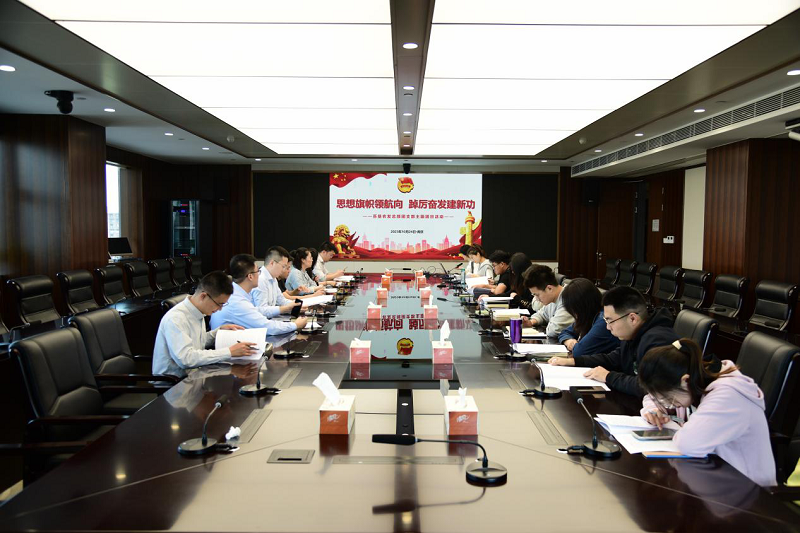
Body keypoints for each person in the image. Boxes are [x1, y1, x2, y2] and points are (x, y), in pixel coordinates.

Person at [638, 339, 776, 487]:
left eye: (667, 399)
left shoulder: (727, 396)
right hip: (715, 473)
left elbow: (688, 444)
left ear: (685, 381)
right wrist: (653, 409)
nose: (667, 404)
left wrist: (681, 430)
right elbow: (651, 397)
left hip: (748, 488)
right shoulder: (696, 380)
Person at [548, 285, 677, 396]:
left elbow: (651, 387)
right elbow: (613, 359)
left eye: (610, 321)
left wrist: (608, 377)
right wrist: (574, 362)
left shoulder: (658, 341)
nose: (608, 327)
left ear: (632, 319)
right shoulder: (632, 334)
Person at [153, 271, 258, 377]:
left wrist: (217, 333)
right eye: (219, 304)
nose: (220, 309)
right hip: (175, 382)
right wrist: (229, 352)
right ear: (203, 296)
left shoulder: (198, 311)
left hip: (195, 374)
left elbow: (197, 342)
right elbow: (186, 359)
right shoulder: (176, 318)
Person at [210, 254, 308, 334]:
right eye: (258, 271)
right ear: (250, 276)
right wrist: (295, 325)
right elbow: (266, 326)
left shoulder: (239, 293)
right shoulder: (237, 301)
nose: (260, 274)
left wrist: (287, 309)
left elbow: (255, 312)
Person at [557, 278, 620, 357]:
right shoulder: (589, 316)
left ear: (581, 307)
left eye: (574, 310)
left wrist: (575, 346)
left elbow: (579, 352)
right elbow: (564, 332)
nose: (575, 315)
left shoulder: (603, 320)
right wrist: (568, 340)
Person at [521, 264, 574, 337]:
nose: (537, 299)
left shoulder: (568, 300)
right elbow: (541, 314)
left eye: (537, 295)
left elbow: (553, 330)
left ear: (549, 288)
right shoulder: (553, 299)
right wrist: (531, 322)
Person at [252, 246, 302, 318]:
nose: (283, 270)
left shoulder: (273, 279)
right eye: (283, 266)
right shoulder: (261, 279)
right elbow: (262, 310)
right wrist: (284, 308)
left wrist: (297, 305)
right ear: (272, 263)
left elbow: (281, 300)